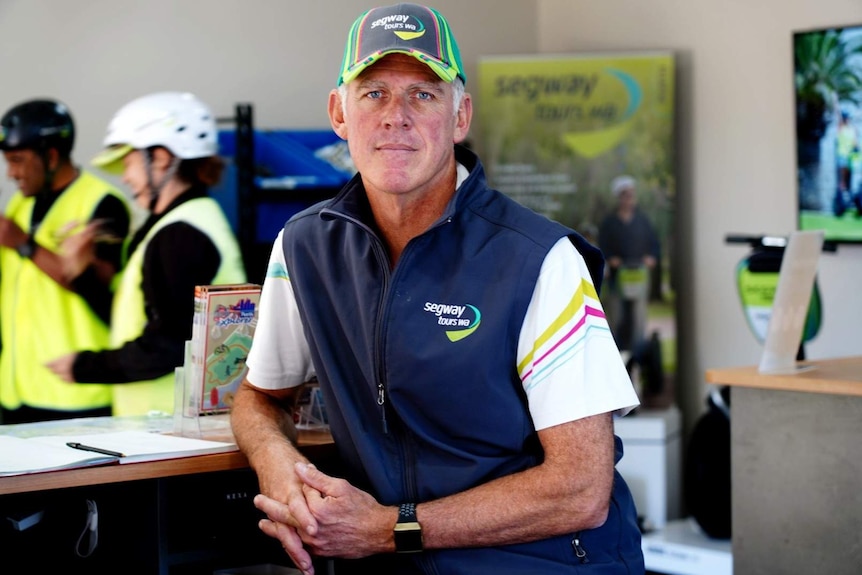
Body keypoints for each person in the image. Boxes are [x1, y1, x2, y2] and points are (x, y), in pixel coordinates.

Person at [230, 4, 644, 574]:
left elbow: (580, 487)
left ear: (460, 115)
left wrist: (388, 529)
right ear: (338, 113)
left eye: (423, 94)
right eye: (373, 92)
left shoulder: (540, 259)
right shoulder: (303, 248)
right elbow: (260, 396)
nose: (395, 115)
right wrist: (278, 465)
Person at [46, 91, 246, 417]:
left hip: (171, 431)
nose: (125, 177)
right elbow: (146, 323)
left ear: (163, 158)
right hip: (164, 429)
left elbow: (165, 347)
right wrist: (83, 275)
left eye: (129, 162)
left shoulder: (180, 236)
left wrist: (85, 367)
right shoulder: (182, 224)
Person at [0, 98, 131, 424]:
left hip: (76, 393)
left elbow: (100, 294)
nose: (11, 173)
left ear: (52, 156)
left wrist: (23, 243)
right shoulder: (21, 204)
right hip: (18, 391)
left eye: (17, 160)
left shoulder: (104, 205)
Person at [598, 175, 660, 354]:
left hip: (639, 275)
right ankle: (615, 351)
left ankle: (638, 351)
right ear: (619, 197)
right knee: (617, 315)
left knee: (639, 316)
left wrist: (651, 258)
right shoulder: (609, 223)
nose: (629, 199)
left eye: (631, 195)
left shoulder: (642, 221)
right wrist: (611, 259)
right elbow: (602, 247)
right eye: (625, 195)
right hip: (618, 277)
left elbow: (654, 243)